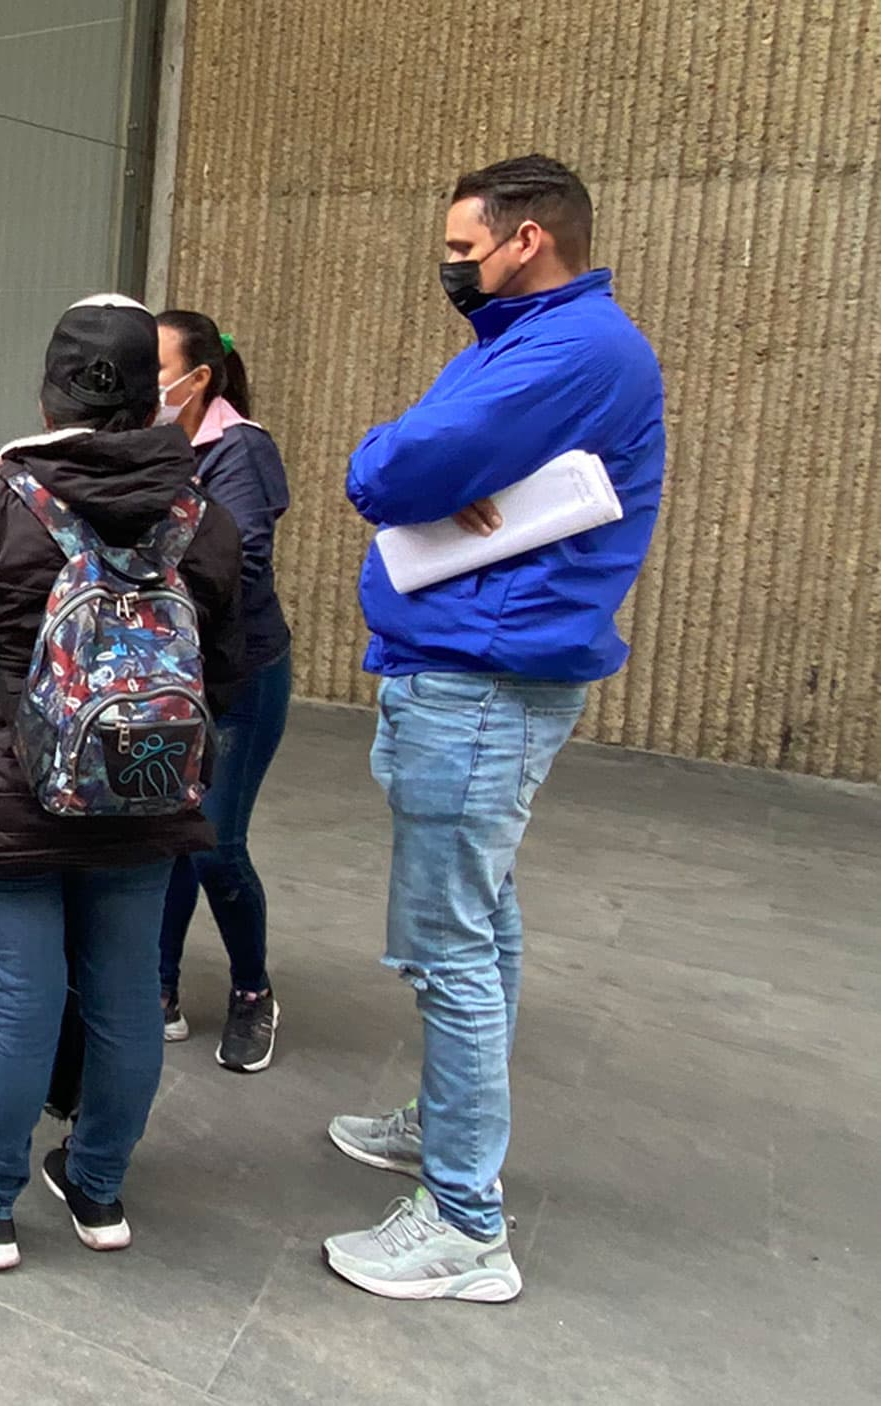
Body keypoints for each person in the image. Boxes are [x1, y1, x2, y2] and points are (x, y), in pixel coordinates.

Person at [323, 154, 664, 1304]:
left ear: (527, 239)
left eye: (463, 248)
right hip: (482, 670)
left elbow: (391, 464)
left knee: (449, 944)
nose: (450, 266)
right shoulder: (536, 345)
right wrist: (426, 463)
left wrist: (406, 465)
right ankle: (444, 1125)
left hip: (481, 677)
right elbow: (429, 456)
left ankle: (466, 1218)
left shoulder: (563, 347)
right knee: (487, 915)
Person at [0, 295, 244, 1273]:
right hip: (146, 785)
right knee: (125, 988)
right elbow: (230, 661)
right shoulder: (201, 515)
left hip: (7, 787)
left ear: (50, 389)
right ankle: (96, 1186)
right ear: (149, 392)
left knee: (20, 989)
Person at [152, 310, 293, 1072]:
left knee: (215, 842)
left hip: (240, 676)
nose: (145, 386)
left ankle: (251, 991)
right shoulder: (152, 443)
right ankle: (159, 987)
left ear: (198, 378)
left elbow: (231, 568)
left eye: (157, 368)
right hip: (173, 676)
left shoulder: (241, 451)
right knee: (171, 833)